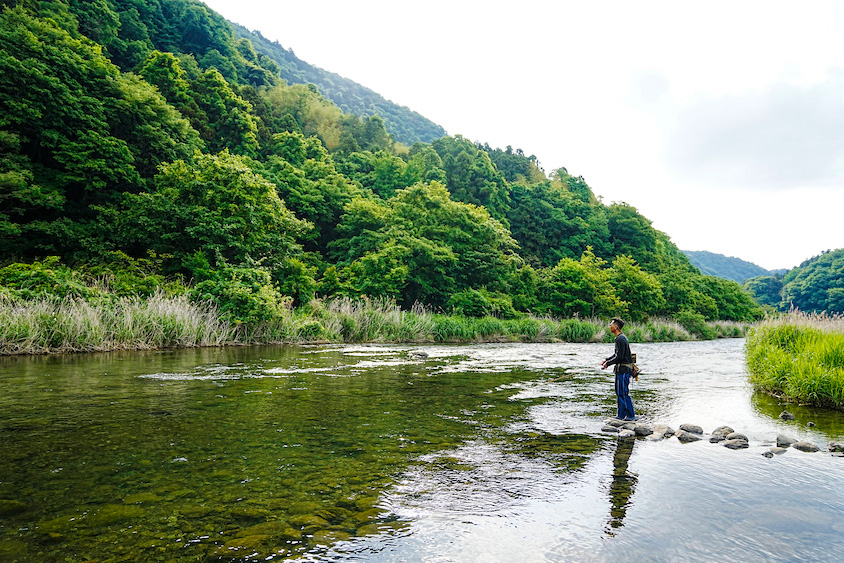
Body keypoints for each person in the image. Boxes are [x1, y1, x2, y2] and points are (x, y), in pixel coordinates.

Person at [600, 318, 637, 421]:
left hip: (624, 370)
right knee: (619, 392)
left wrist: (607, 364)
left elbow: (619, 357)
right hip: (621, 370)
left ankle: (630, 415)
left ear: (616, 327)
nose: (610, 326)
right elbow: (617, 354)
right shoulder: (620, 338)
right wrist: (606, 360)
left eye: (611, 325)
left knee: (623, 393)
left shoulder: (620, 339)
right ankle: (621, 415)